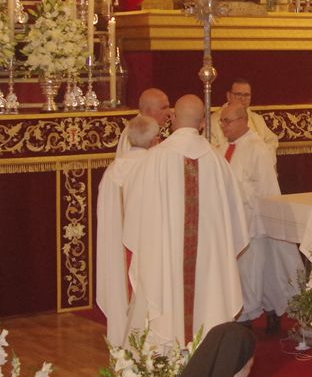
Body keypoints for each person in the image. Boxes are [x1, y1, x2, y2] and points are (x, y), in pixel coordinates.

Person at [123, 95, 249, 348]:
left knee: (164, 304)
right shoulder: (218, 162)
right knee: (209, 301)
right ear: (203, 122)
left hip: (165, 263)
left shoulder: (153, 160)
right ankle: (206, 359)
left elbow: (134, 217)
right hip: (208, 264)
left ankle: (164, 360)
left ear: (171, 118)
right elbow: (237, 221)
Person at [218, 102, 299, 329]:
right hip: (233, 221)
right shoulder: (226, 148)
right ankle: (255, 312)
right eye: (222, 121)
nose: (223, 126)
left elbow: (267, 189)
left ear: (243, 121)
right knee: (248, 272)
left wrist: (265, 223)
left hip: (254, 223)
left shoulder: (257, 148)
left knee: (255, 271)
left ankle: (252, 316)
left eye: (228, 121)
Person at [95, 115, 162, 347]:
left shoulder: (113, 170)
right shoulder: (153, 168)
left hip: (117, 251)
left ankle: (121, 348)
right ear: (155, 141)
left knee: (121, 293)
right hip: (145, 249)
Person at [209, 79, 278, 153]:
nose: (243, 99)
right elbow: (211, 151)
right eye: (238, 94)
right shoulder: (213, 121)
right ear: (228, 96)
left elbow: (272, 141)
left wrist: (259, 153)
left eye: (246, 95)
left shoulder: (257, 119)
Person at [116, 88, 172, 155]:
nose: (169, 112)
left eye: (168, 107)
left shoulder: (151, 128)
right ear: (148, 110)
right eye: (163, 108)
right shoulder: (135, 131)